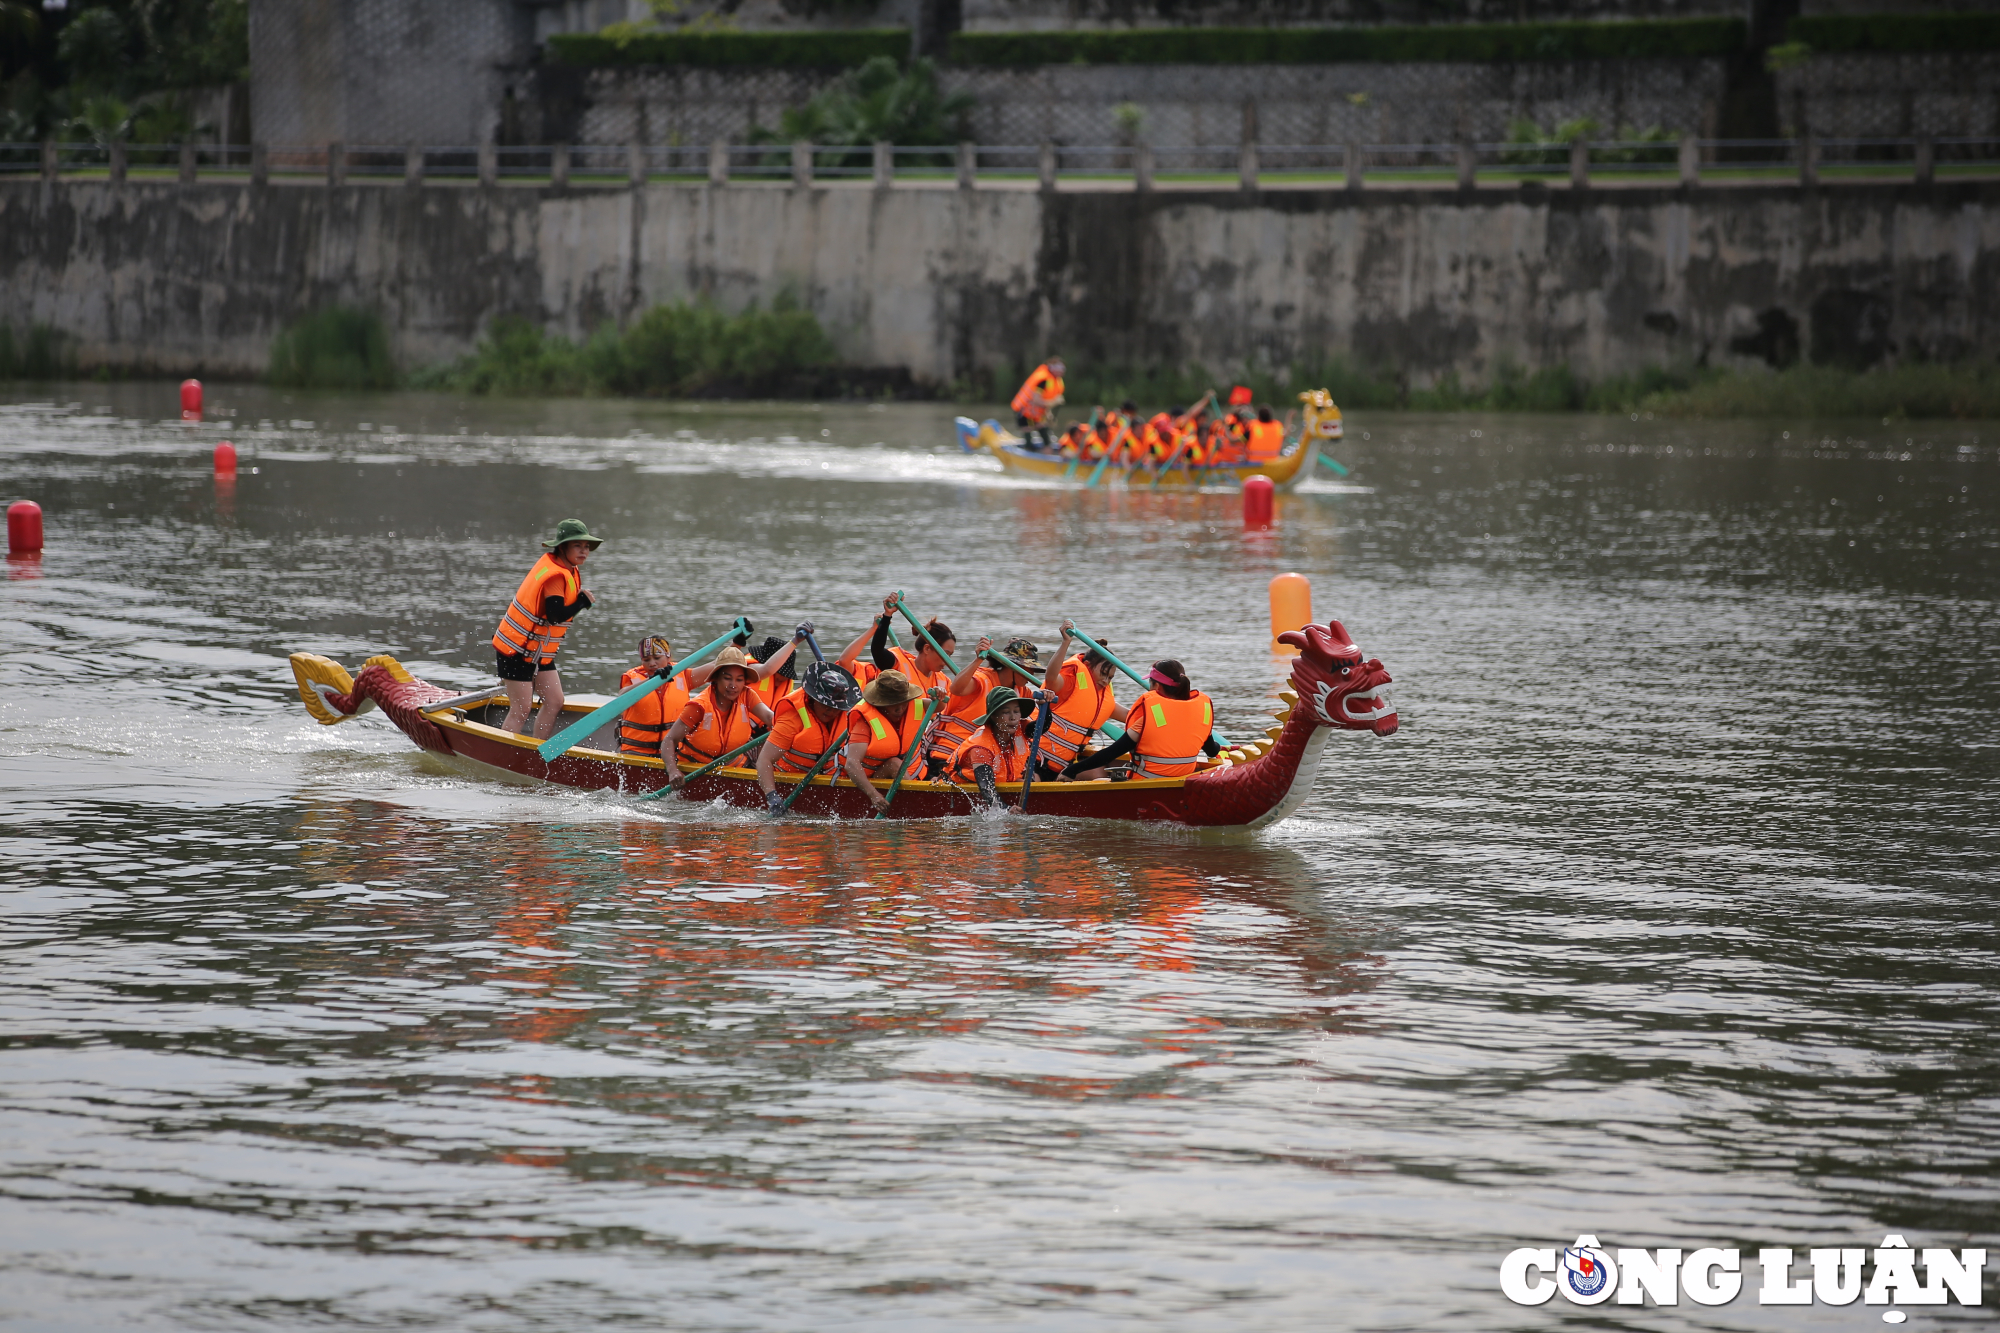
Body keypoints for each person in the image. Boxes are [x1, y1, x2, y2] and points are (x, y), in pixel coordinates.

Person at [492, 518, 600, 739]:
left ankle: (539, 750)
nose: (584, 551)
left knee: (555, 701)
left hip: (538, 651)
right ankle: (505, 755)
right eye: (577, 545)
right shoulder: (555, 576)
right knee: (521, 709)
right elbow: (555, 615)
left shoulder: (566, 569)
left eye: (586, 546)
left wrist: (579, 602)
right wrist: (582, 602)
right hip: (516, 651)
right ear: (562, 547)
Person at [1063, 659, 1221, 780]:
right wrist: (1222, 748)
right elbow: (1212, 750)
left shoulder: (1149, 716)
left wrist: (1071, 771)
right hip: (1183, 779)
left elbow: (1111, 753)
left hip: (1149, 780)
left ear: (1157, 687)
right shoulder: (1201, 710)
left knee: (1094, 770)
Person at [756, 659, 862, 815]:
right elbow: (764, 760)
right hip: (788, 779)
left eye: (836, 708)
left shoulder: (848, 717)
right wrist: (773, 798)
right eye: (826, 705)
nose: (831, 712)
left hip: (829, 779)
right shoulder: (791, 718)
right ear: (814, 699)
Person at [929, 635, 1043, 777]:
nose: (1032, 674)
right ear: (1013, 666)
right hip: (951, 758)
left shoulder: (1022, 692)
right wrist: (978, 659)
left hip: (986, 760)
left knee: (1034, 777)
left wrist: (1046, 702)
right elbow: (956, 689)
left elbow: (1035, 728)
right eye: (1029, 669)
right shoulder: (982, 679)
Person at [663, 645, 775, 786]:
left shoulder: (747, 695)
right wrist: (673, 771)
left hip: (734, 766)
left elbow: (770, 718)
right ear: (716, 679)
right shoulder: (698, 706)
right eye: (727, 678)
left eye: (739, 680)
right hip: (697, 768)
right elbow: (669, 740)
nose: (733, 685)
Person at [842, 670, 931, 813]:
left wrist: (939, 695)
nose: (900, 709)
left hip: (910, 773)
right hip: (870, 778)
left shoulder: (913, 705)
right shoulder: (864, 721)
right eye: (894, 704)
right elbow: (851, 764)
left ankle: (915, 799)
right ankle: (915, 807)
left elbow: (939, 705)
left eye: (904, 703)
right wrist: (874, 795)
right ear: (880, 703)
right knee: (895, 764)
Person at [1037, 620, 1118, 773]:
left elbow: (1131, 715)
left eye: (1110, 678)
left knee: (1101, 773)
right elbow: (1051, 678)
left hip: (1065, 765)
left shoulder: (1101, 697)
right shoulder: (1071, 680)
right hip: (1037, 761)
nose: (1106, 681)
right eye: (1103, 674)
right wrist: (1065, 643)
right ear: (1087, 665)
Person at [947, 686, 1046, 808]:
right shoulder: (980, 748)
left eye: (1016, 711)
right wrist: (1007, 810)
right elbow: (986, 789)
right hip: (959, 791)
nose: (1013, 717)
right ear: (993, 717)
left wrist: (1046, 706)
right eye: (1005, 712)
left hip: (1002, 783)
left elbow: (1042, 727)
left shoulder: (1019, 727)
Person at [617, 636, 677, 755]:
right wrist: (652, 680)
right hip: (637, 752)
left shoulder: (682, 672)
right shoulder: (632, 678)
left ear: (668, 656)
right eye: (646, 660)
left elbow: (713, 668)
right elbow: (621, 698)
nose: (652, 664)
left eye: (657, 658)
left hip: (672, 753)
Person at [1010, 357, 1066, 448]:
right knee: (1028, 436)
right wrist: (1054, 402)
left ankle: (1047, 454)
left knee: (1046, 436)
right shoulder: (1043, 380)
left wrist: (1049, 415)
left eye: (1063, 368)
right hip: (1026, 413)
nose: (1061, 371)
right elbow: (1037, 400)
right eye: (1059, 368)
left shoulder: (1057, 381)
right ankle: (1028, 454)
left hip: (1038, 414)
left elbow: (1045, 403)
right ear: (1052, 367)